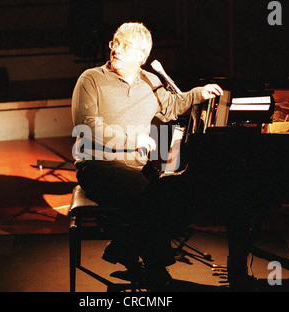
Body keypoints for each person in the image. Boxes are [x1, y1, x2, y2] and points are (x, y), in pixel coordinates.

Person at [71, 22, 223, 290]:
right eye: (114, 42)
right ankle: (154, 268)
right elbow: (87, 127)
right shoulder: (91, 79)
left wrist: (199, 94)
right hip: (97, 165)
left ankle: (123, 244)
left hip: (136, 167)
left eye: (124, 46)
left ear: (141, 55)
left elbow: (172, 106)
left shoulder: (149, 81)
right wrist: (133, 140)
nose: (116, 49)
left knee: (186, 195)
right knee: (151, 194)